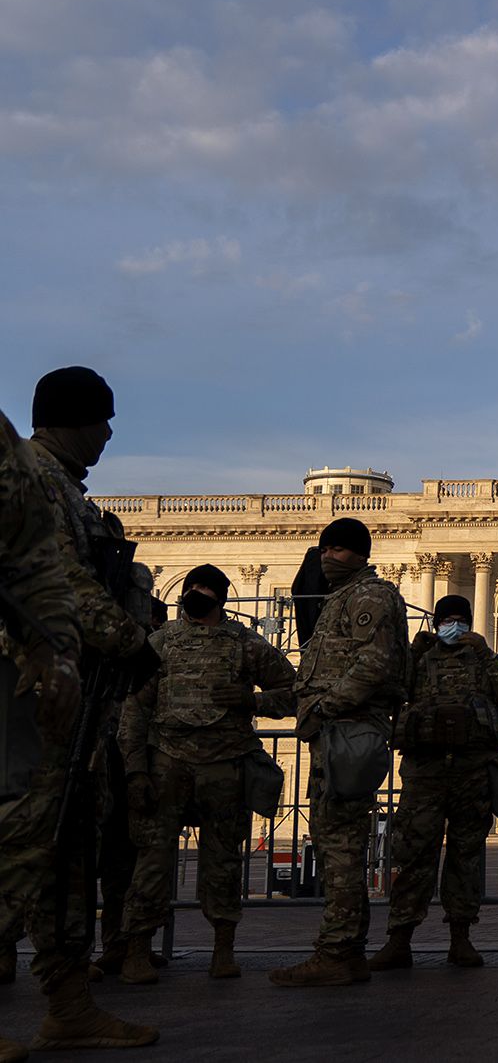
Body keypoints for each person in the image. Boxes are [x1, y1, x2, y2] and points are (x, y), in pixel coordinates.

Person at [0, 407, 155, 1054]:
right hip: (28, 688)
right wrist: (131, 640)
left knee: (65, 849)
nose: (109, 435)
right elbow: (60, 581)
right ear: (72, 420)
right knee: (24, 844)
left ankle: (68, 1004)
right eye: (102, 421)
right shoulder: (32, 477)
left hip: (69, 692)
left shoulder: (65, 488)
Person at [119, 564, 296, 983]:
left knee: (223, 862)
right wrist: (135, 771)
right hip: (167, 762)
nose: (194, 596)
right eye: (190, 589)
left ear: (220, 597)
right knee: (152, 860)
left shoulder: (245, 643)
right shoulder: (160, 643)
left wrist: (253, 701)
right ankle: (137, 949)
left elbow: (294, 692)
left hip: (225, 764)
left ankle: (223, 948)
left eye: (203, 590)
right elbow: (135, 710)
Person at [271, 517, 409, 987]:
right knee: (336, 845)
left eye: (338, 549)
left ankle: (338, 952)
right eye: (325, 549)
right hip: (335, 732)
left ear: (360, 554)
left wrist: (325, 707)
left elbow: (374, 664)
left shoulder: (368, 596)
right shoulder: (339, 598)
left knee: (342, 847)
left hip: (349, 732)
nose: (328, 557)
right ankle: (346, 950)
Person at [369, 593, 498, 973]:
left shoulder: (482, 660)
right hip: (424, 773)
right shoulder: (419, 661)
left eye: (460, 619)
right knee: (413, 855)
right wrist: (412, 650)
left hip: (471, 772)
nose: (453, 626)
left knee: (465, 858)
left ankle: (461, 938)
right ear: (436, 623)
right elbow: (386, 689)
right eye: (447, 620)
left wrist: (486, 653)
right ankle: (399, 939)